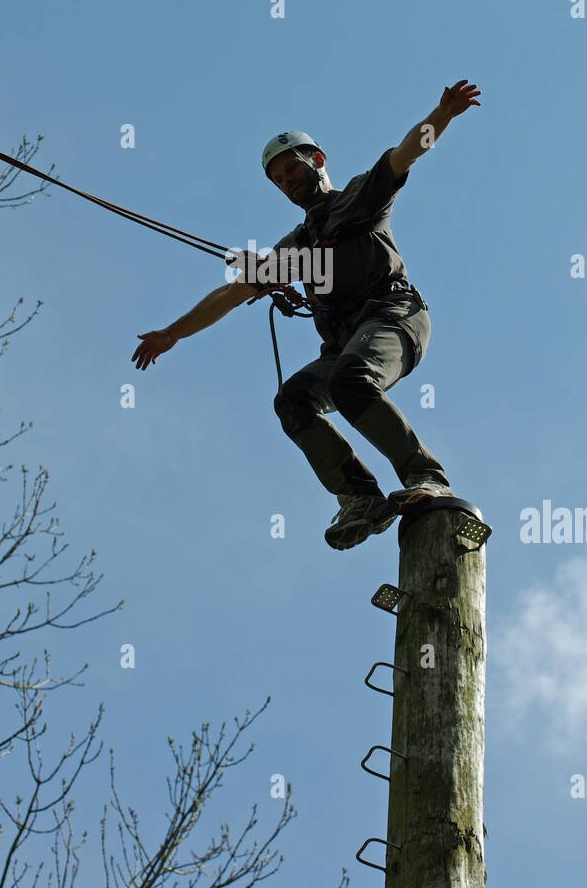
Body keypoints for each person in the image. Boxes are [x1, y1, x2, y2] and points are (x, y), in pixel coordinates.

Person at [133, 80, 481, 549]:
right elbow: (234, 293)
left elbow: (404, 155)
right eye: (278, 180)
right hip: (346, 341)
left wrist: (443, 115)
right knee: (293, 400)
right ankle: (360, 498)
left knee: (352, 379)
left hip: (394, 317)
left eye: (291, 169)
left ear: (316, 160)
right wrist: (172, 334)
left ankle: (427, 477)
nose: (288, 182)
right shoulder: (296, 246)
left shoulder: (358, 198)